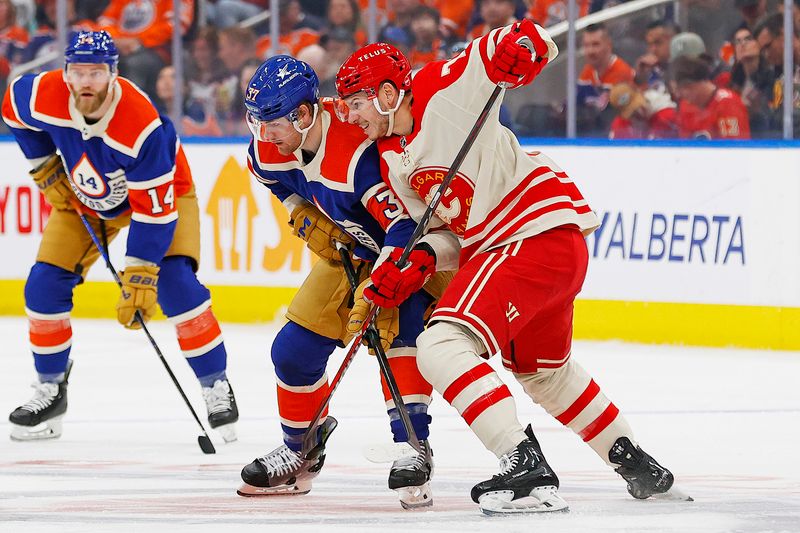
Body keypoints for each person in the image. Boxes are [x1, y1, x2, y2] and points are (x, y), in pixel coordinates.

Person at [335, 20, 685, 514]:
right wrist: (417, 261)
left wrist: (522, 48)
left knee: (439, 344)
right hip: (543, 247)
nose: (351, 116)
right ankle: (635, 463)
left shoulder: (441, 85)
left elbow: (519, 39)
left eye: (356, 102)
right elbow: (443, 233)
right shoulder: (392, 158)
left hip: (529, 233)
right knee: (544, 373)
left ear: (389, 93)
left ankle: (522, 461)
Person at [236, 56, 454, 509]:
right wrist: (302, 211)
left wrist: (385, 277)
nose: (263, 133)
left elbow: (403, 223)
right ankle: (301, 451)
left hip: (406, 252)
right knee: (292, 352)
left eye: (272, 122)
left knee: (397, 338)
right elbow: (282, 185)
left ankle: (413, 448)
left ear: (303, 114)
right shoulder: (266, 148)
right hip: (349, 252)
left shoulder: (357, 151)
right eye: (256, 121)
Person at [1, 31, 239, 443]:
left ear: (113, 73)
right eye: (78, 72)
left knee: (175, 284)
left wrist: (140, 274)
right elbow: (12, 110)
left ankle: (215, 385)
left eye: (96, 72)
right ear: (67, 73)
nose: (86, 81)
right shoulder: (43, 93)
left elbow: (153, 214)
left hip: (164, 197)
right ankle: (51, 389)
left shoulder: (141, 126)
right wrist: (43, 164)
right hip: (87, 197)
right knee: (43, 286)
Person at [671, 55, 751, 139]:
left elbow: (734, 148)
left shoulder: (728, 104)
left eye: (682, 88)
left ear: (698, 83)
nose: (678, 95)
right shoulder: (686, 106)